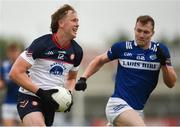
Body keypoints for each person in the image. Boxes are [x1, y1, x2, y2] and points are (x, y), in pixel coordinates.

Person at [75, 15, 177, 126]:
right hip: (117, 105)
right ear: (134, 29)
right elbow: (99, 60)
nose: (141, 35)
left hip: (137, 111)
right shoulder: (122, 48)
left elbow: (171, 83)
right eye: (139, 30)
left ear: (152, 33)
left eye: (146, 32)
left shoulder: (160, 50)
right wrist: (83, 78)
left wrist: (163, 64)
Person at [9, 4, 83, 126]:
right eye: (73, 20)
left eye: (78, 21)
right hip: (30, 97)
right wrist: (41, 93)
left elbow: (71, 78)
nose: (77, 24)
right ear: (61, 23)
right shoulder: (41, 44)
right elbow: (15, 73)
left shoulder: (77, 51)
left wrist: (68, 95)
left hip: (51, 103)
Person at [0, 43, 22, 126]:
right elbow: (1, 82)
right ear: (8, 53)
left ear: (19, 52)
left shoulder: (24, 65)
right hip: (9, 102)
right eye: (11, 52)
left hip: (23, 102)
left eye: (15, 51)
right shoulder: (4, 66)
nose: (13, 54)